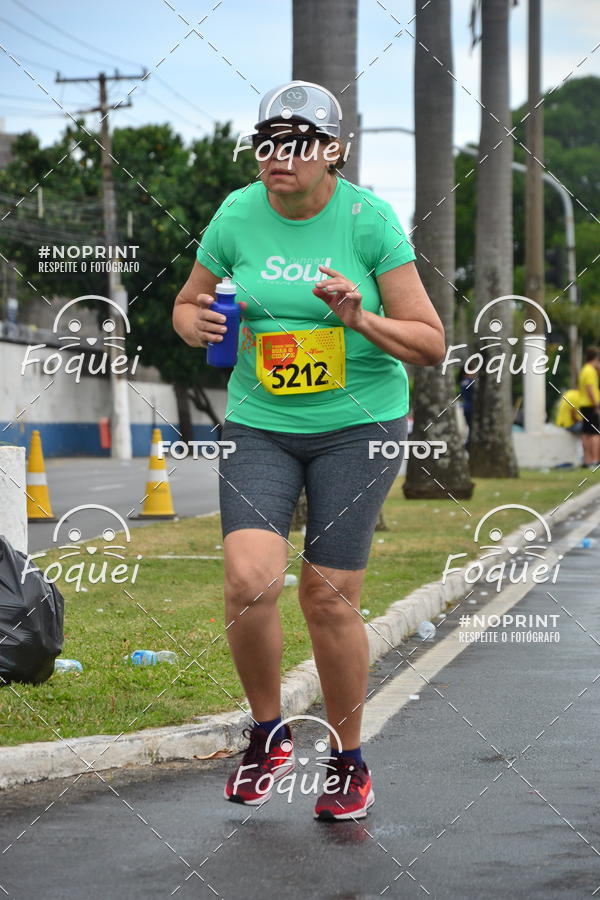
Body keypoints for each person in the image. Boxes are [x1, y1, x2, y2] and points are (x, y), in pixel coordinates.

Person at [173, 81, 445, 821]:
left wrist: (360, 318)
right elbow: (188, 302)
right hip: (262, 421)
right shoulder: (236, 212)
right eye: (267, 142)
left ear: (332, 153)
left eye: (296, 143)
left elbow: (430, 342)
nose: (277, 157)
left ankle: (349, 761)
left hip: (360, 425)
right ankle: (268, 732)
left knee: (326, 598)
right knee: (248, 582)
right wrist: (192, 323)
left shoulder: (368, 221)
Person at [577, 347, 600, 467]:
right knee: (595, 434)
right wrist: (596, 405)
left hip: (583, 404)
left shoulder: (584, 370)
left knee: (586, 433)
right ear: (596, 358)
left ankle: (587, 460)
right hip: (591, 405)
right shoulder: (590, 371)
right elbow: (590, 389)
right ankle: (595, 460)